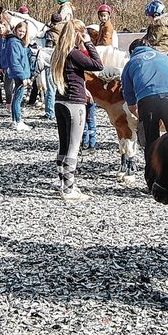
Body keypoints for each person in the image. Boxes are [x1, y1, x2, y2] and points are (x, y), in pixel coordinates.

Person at [51, 19, 103, 201]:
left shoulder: (58, 52)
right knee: (73, 147)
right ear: (78, 34)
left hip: (60, 101)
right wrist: (88, 43)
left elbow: (70, 75)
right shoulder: (74, 53)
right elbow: (98, 65)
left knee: (63, 145)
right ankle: (68, 190)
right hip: (75, 103)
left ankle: (63, 183)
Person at [121, 38, 168, 159]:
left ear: (132, 52)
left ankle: (152, 169)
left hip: (147, 100)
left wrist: (140, 116)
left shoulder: (131, 63)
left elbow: (131, 103)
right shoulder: (165, 57)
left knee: (150, 141)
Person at [2, 21, 33, 131]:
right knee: (18, 98)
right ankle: (18, 121)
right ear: (15, 30)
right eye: (20, 31)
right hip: (19, 74)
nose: (21, 33)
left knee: (17, 98)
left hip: (20, 73)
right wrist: (23, 76)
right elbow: (15, 62)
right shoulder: (14, 42)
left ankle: (15, 121)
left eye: (24, 32)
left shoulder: (17, 42)